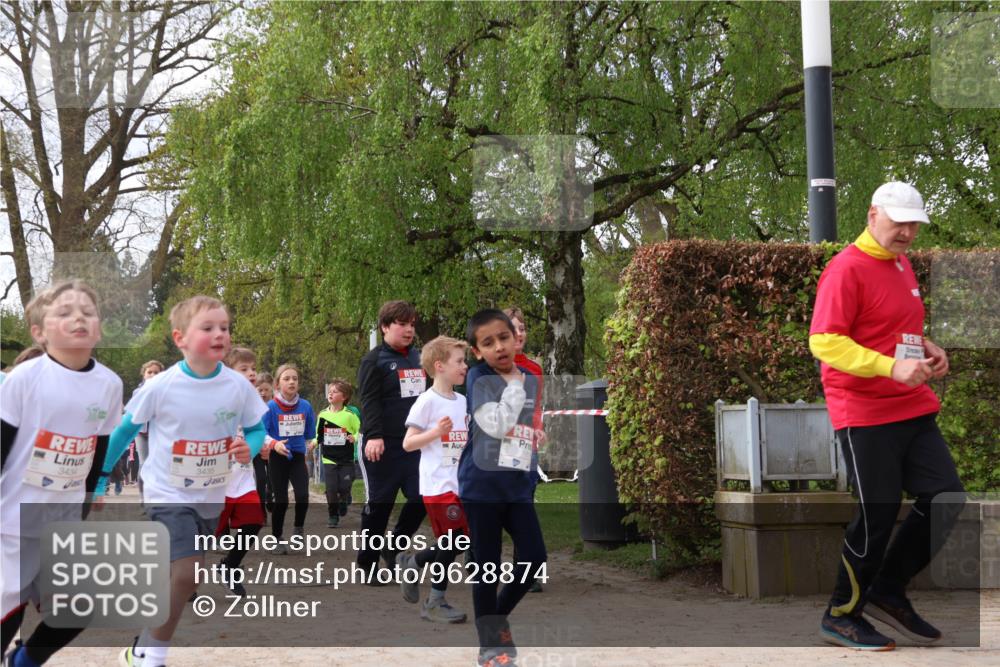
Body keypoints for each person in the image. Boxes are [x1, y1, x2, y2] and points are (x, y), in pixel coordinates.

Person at [810, 182, 965, 651]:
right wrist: (890, 367)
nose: (907, 232)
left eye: (914, 223)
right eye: (899, 222)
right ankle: (841, 614)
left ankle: (888, 590)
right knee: (876, 513)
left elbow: (896, 329)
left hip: (911, 406)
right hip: (864, 412)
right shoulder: (845, 270)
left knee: (945, 497)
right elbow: (826, 341)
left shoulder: (901, 266)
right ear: (873, 214)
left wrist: (927, 350)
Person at [95, 295, 268, 667]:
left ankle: (141, 646)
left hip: (210, 494)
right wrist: (98, 480)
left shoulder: (237, 386)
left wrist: (248, 448)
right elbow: (124, 432)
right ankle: (152, 657)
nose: (219, 334)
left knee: (183, 578)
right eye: (208, 328)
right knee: (189, 573)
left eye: (224, 327)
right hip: (165, 490)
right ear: (180, 338)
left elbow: (256, 429)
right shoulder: (161, 386)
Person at [1, 280, 123, 667]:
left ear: (100, 328)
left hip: (63, 523)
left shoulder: (109, 384)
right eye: (65, 312)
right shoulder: (24, 378)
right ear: (40, 331)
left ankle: (25, 661)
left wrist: (83, 509)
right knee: (7, 617)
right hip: (13, 523)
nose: (79, 319)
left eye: (88, 312)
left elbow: (97, 453)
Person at [459, 309, 547, 667]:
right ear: (477, 351)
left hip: (516, 482)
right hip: (481, 485)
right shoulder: (479, 378)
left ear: (516, 338)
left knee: (534, 559)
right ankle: (490, 647)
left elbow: (520, 424)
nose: (499, 347)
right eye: (488, 342)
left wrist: (535, 432)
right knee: (487, 567)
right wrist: (513, 389)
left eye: (504, 338)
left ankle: (494, 620)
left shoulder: (529, 376)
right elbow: (495, 424)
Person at [397, 336, 470, 623]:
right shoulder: (426, 402)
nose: (465, 366)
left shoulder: (462, 400)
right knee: (452, 543)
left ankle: (412, 562)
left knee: (458, 542)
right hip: (437, 485)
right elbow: (408, 443)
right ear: (439, 366)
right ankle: (434, 602)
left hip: (460, 483)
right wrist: (436, 433)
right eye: (460, 361)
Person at [355, 300, 427, 578]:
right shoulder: (373, 361)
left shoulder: (419, 358)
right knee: (379, 507)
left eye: (411, 324)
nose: (409, 330)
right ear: (385, 327)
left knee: (422, 498)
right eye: (402, 324)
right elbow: (369, 401)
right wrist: (374, 436)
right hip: (381, 446)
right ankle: (367, 564)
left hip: (413, 444)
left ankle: (393, 546)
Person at [214, 347, 267, 597]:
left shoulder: (250, 402)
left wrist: (264, 446)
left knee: (254, 521)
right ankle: (186, 577)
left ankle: (230, 565)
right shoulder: (211, 397)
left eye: (253, 369)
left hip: (243, 478)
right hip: (213, 481)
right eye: (244, 369)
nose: (252, 374)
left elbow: (258, 431)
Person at [504, 307, 546, 593]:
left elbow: (536, 406)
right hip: (494, 448)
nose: (520, 333)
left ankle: (525, 570)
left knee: (524, 504)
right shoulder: (489, 367)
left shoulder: (534, 369)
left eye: (523, 327)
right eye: (514, 328)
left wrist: (538, 427)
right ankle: (480, 559)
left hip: (525, 446)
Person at [263, 364, 316, 553]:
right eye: (286, 379)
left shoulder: (305, 406)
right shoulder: (270, 407)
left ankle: (298, 529)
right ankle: (277, 537)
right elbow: (261, 433)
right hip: (278, 458)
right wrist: (274, 444)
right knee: (282, 500)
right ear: (278, 384)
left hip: (298, 457)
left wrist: (311, 443)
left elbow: (310, 432)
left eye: (295, 378)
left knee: (302, 495)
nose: (292, 381)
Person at [316, 379, 360, 528]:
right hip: (329, 458)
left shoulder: (350, 415)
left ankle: (345, 497)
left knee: (345, 485)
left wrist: (354, 437)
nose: (331, 394)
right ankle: (333, 515)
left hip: (346, 458)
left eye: (335, 392)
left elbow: (360, 432)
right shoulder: (322, 415)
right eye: (330, 391)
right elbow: (318, 435)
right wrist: (313, 443)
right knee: (331, 488)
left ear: (344, 397)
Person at [133, 360, 164, 504]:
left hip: (158, 433)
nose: (152, 375)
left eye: (156, 372)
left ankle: (157, 495)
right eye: (149, 372)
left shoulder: (165, 391)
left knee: (158, 464)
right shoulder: (138, 392)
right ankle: (143, 496)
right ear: (143, 375)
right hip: (141, 433)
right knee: (144, 463)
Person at [254, 374, 275, 520]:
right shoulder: (251, 408)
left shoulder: (275, 406)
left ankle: (270, 495)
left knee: (273, 479)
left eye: (266, 390)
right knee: (260, 479)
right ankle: (261, 512)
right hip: (257, 448)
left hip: (274, 448)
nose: (263, 393)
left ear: (272, 390)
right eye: (260, 390)